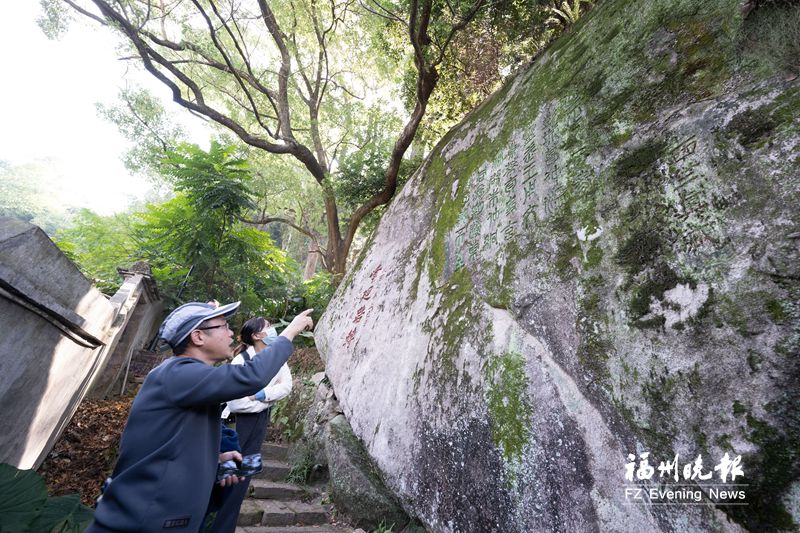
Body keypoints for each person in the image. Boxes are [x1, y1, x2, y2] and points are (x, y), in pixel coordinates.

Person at [85, 301, 313, 533]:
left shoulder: (188, 377)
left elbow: (176, 440)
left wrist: (215, 456)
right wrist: (290, 331)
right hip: (143, 520)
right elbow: (251, 376)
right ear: (198, 337)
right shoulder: (178, 373)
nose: (231, 332)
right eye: (224, 325)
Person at [209, 317, 292, 533]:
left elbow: (287, 387)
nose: (273, 330)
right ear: (256, 335)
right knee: (225, 480)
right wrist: (265, 402)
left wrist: (260, 396)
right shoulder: (241, 360)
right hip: (234, 426)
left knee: (242, 482)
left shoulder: (278, 360)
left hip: (258, 426)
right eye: (269, 327)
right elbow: (237, 403)